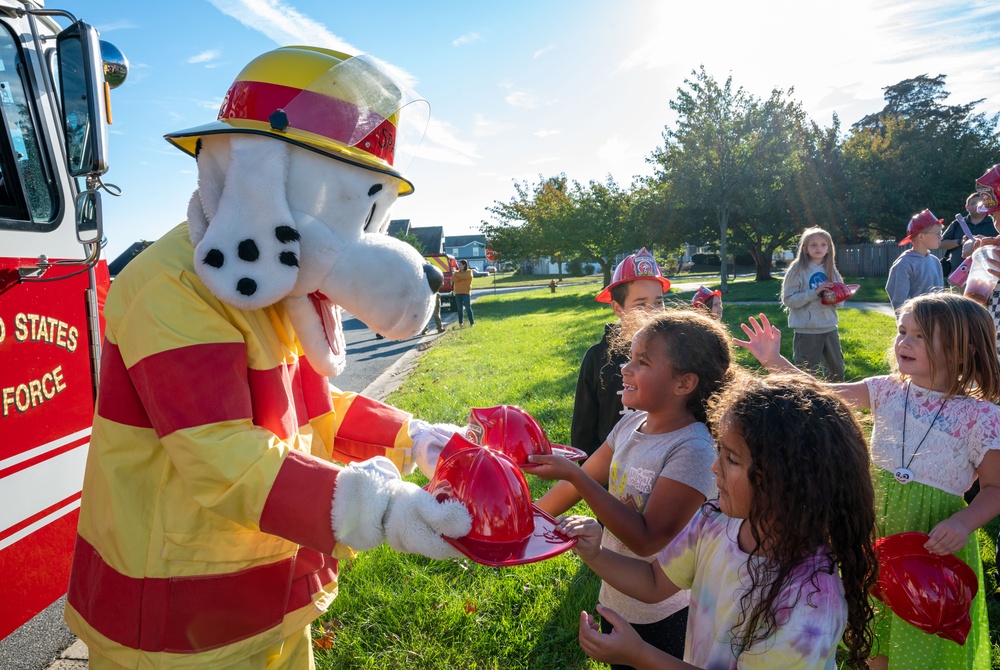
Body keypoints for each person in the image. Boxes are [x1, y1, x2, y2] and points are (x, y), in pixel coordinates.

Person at [735, 292, 1000, 670]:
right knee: (874, 623)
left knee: (922, 631)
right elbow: (820, 396)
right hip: (874, 532)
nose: (904, 342)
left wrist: (963, 522)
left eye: (922, 336)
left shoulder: (982, 417)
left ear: (962, 351)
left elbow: (995, 489)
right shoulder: (887, 391)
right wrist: (774, 361)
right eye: (902, 330)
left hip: (932, 542)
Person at [562, 374, 877, 669]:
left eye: (732, 459)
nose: (714, 468)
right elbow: (654, 582)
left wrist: (640, 654)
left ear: (787, 481)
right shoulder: (714, 520)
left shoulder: (810, 603)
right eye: (720, 453)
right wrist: (594, 553)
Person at [531, 308, 731, 667]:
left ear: (684, 384)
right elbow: (585, 479)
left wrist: (574, 475)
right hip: (618, 596)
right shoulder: (632, 425)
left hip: (665, 615)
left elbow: (646, 538)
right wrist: (528, 517)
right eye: (630, 358)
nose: (625, 368)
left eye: (643, 362)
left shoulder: (693, 450)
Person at [571, 248, 670, 457]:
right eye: (641, 304)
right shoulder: (597, 358)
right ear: (618, 308)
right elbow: (584, 427)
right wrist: (590, 478)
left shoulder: (674, 353)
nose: (652, 312)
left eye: (659, 302)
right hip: (608, 470)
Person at [780, 227, 846, 381]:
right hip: (806, 331)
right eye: (814, 245)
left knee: (837, 371)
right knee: (806, 376)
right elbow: (788, 299)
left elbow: (839, 303)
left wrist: (837, 296)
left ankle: (835, 403)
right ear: (805, 248)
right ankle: (807, 405)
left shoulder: (831, 270)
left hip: (829, 328)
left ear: (829, 248)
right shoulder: (797, 269)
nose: (819, 248)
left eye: (823, 245)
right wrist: (815, 293)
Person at [885, 209, 945, 312]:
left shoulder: (935, 261)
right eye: (937, 234)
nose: (941, 237)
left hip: (936, 321)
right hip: (914, 323)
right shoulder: (904, 264)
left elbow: (940, 293)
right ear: (921, 236)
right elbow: (899, 302)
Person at [940, 193, 998, 277]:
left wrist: (985, 241)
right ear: (967, 207)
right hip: (959, 275)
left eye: (982, 203)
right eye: (974, 203)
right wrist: (960, 241)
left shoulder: (995, 221)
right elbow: (941, 244)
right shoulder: (957, 224)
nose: (978, 206)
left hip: (988, 275)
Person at [452, 259, 475, 326]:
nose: (458, 266)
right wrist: (459, 276)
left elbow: (466, 276)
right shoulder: (456, 272)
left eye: (460, 265)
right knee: (459, 309)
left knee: (468, 308)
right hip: (457, 293)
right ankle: (460, 323)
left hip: (466, 292)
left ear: (464, 265)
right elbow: (453, 278)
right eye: (458, 265)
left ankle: (472, 323)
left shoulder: (469, 272)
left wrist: (458, 276)